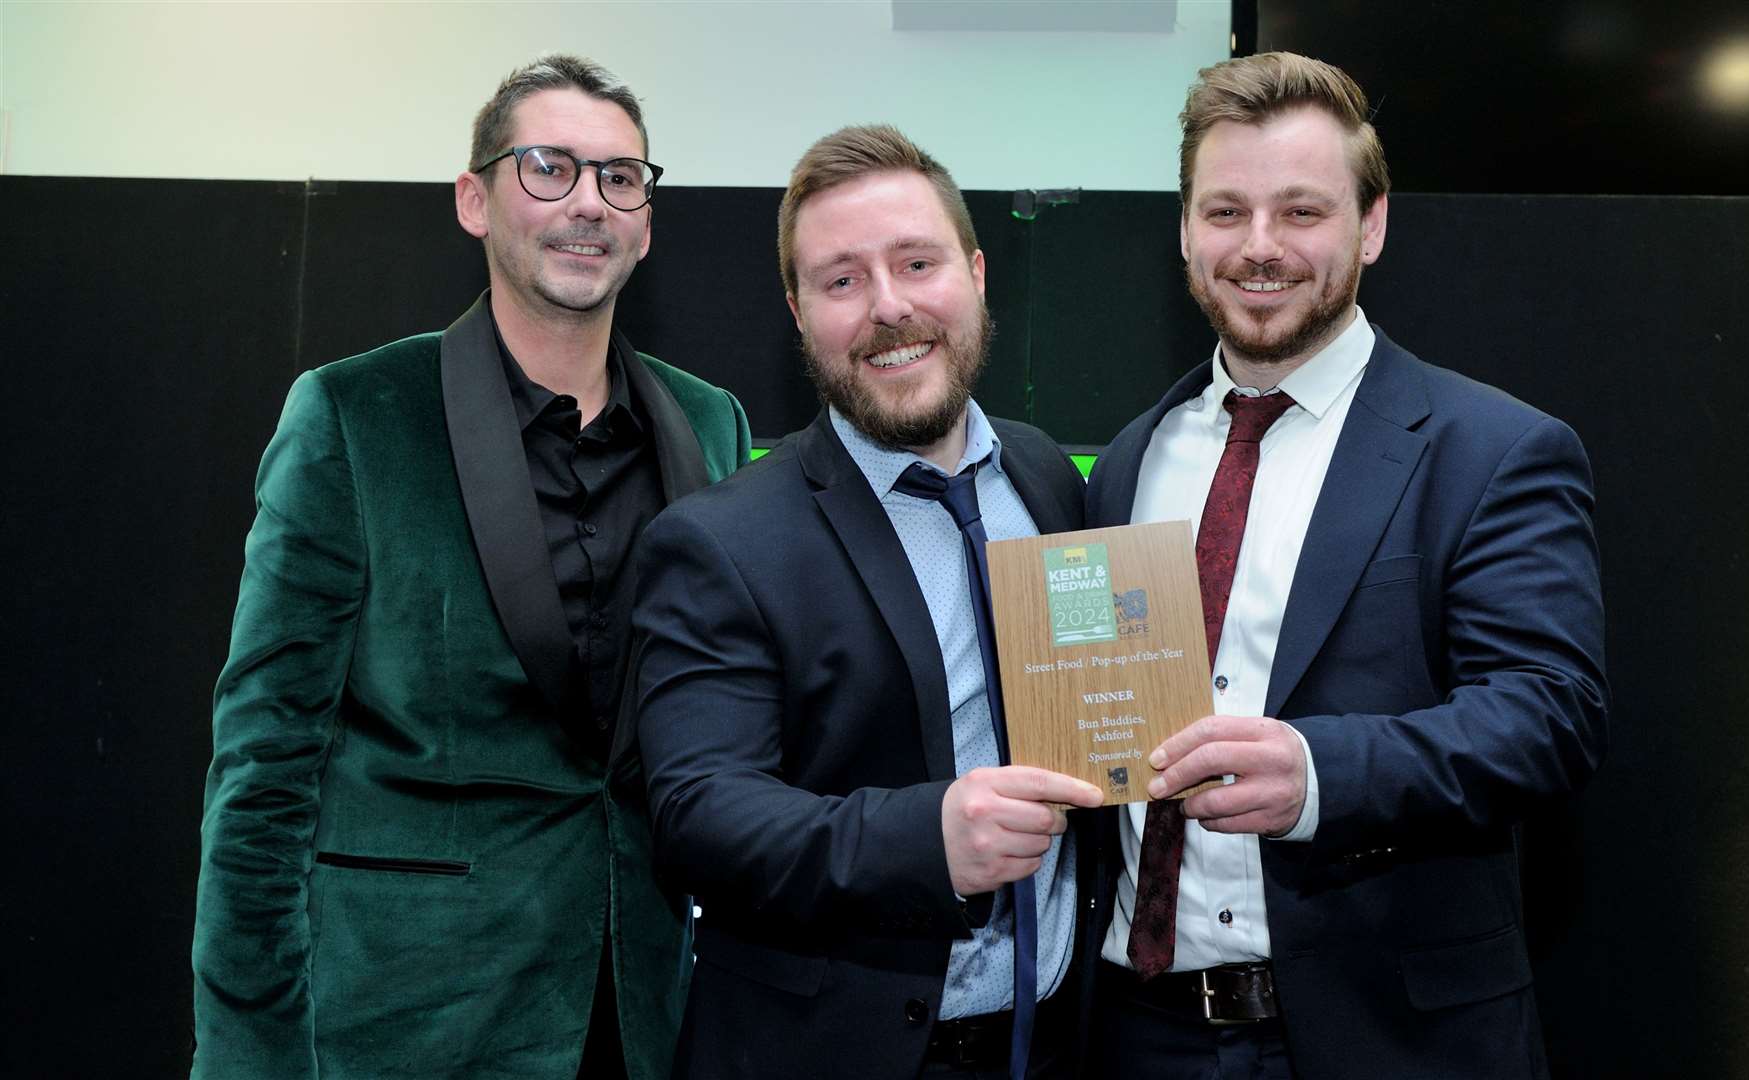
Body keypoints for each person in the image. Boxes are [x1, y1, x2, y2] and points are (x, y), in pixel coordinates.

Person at [191, 54, 749, 1080]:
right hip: (410, 1018)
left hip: (644, 1014)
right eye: (548, 167)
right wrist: (247, 1052)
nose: (588, 202)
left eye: (620, 177)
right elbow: (264, 768)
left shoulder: (709, 423)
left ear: (648, 219)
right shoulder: (355, 416)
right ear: (473, 199)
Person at [1082, 52, 1608, 1078]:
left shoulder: (1490, 449)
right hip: (1135, 1034)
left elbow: (1551, 715)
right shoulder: (1131, 459)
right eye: (1225, 212)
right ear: (1185, 230)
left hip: (1385, 1038)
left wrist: (1321, 774)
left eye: (1302, 212)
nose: (1260, 247)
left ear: (1371, 225)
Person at [631, 125, 1106, 1080]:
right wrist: (925, 840)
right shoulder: (720, 540)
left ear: (974, 273)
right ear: (798, 313)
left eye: (917, 263)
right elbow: (697, 811)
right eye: (841, 281)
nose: (889, 308)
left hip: (1063, 1041)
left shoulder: (1047, 479)